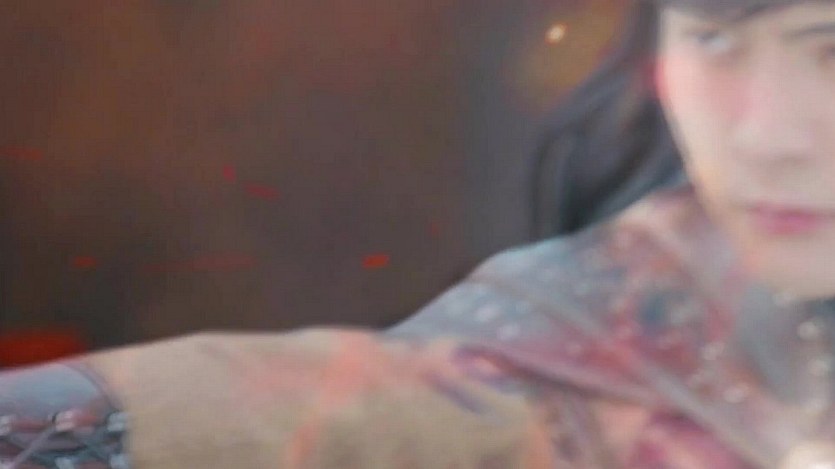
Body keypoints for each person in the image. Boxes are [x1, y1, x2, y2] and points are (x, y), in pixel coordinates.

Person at [2, 0, 835, 467]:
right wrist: (41, 427)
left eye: (827, 49)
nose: (764, 133)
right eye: (712, 41)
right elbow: (351, 399)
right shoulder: (626, 311)